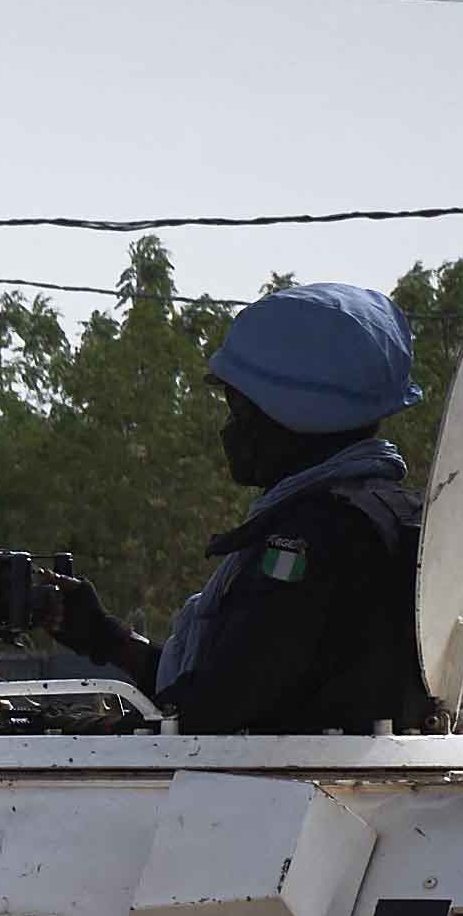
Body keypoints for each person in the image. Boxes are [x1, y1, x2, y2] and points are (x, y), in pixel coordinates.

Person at [52, 281, 435, 735]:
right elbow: (235, 682)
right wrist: (104, 638)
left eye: (239, 411)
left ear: (292, 414)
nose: (228, 431)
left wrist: (80, 730)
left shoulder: (315, 538)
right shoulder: (393, 515)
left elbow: (213, 710)